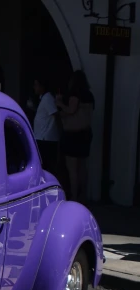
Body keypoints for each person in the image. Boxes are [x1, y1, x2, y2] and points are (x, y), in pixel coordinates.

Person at [56, 70, 94, 202]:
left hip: (73, 135)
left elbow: (71, 110)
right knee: (83, 166)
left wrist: (60, 103)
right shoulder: (89, 95)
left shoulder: (75, 94)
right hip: (86, 133)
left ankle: (74, 196)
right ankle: (83, 194)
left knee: (72, 168)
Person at [29, 75, 61, 175]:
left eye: (36, 85)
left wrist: (60, 131)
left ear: (42, 86)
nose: (34, 87)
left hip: (46, 138)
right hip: (43, 136)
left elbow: (55, 114)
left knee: (46, 165)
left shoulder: (47, 98)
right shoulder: (43, 99)